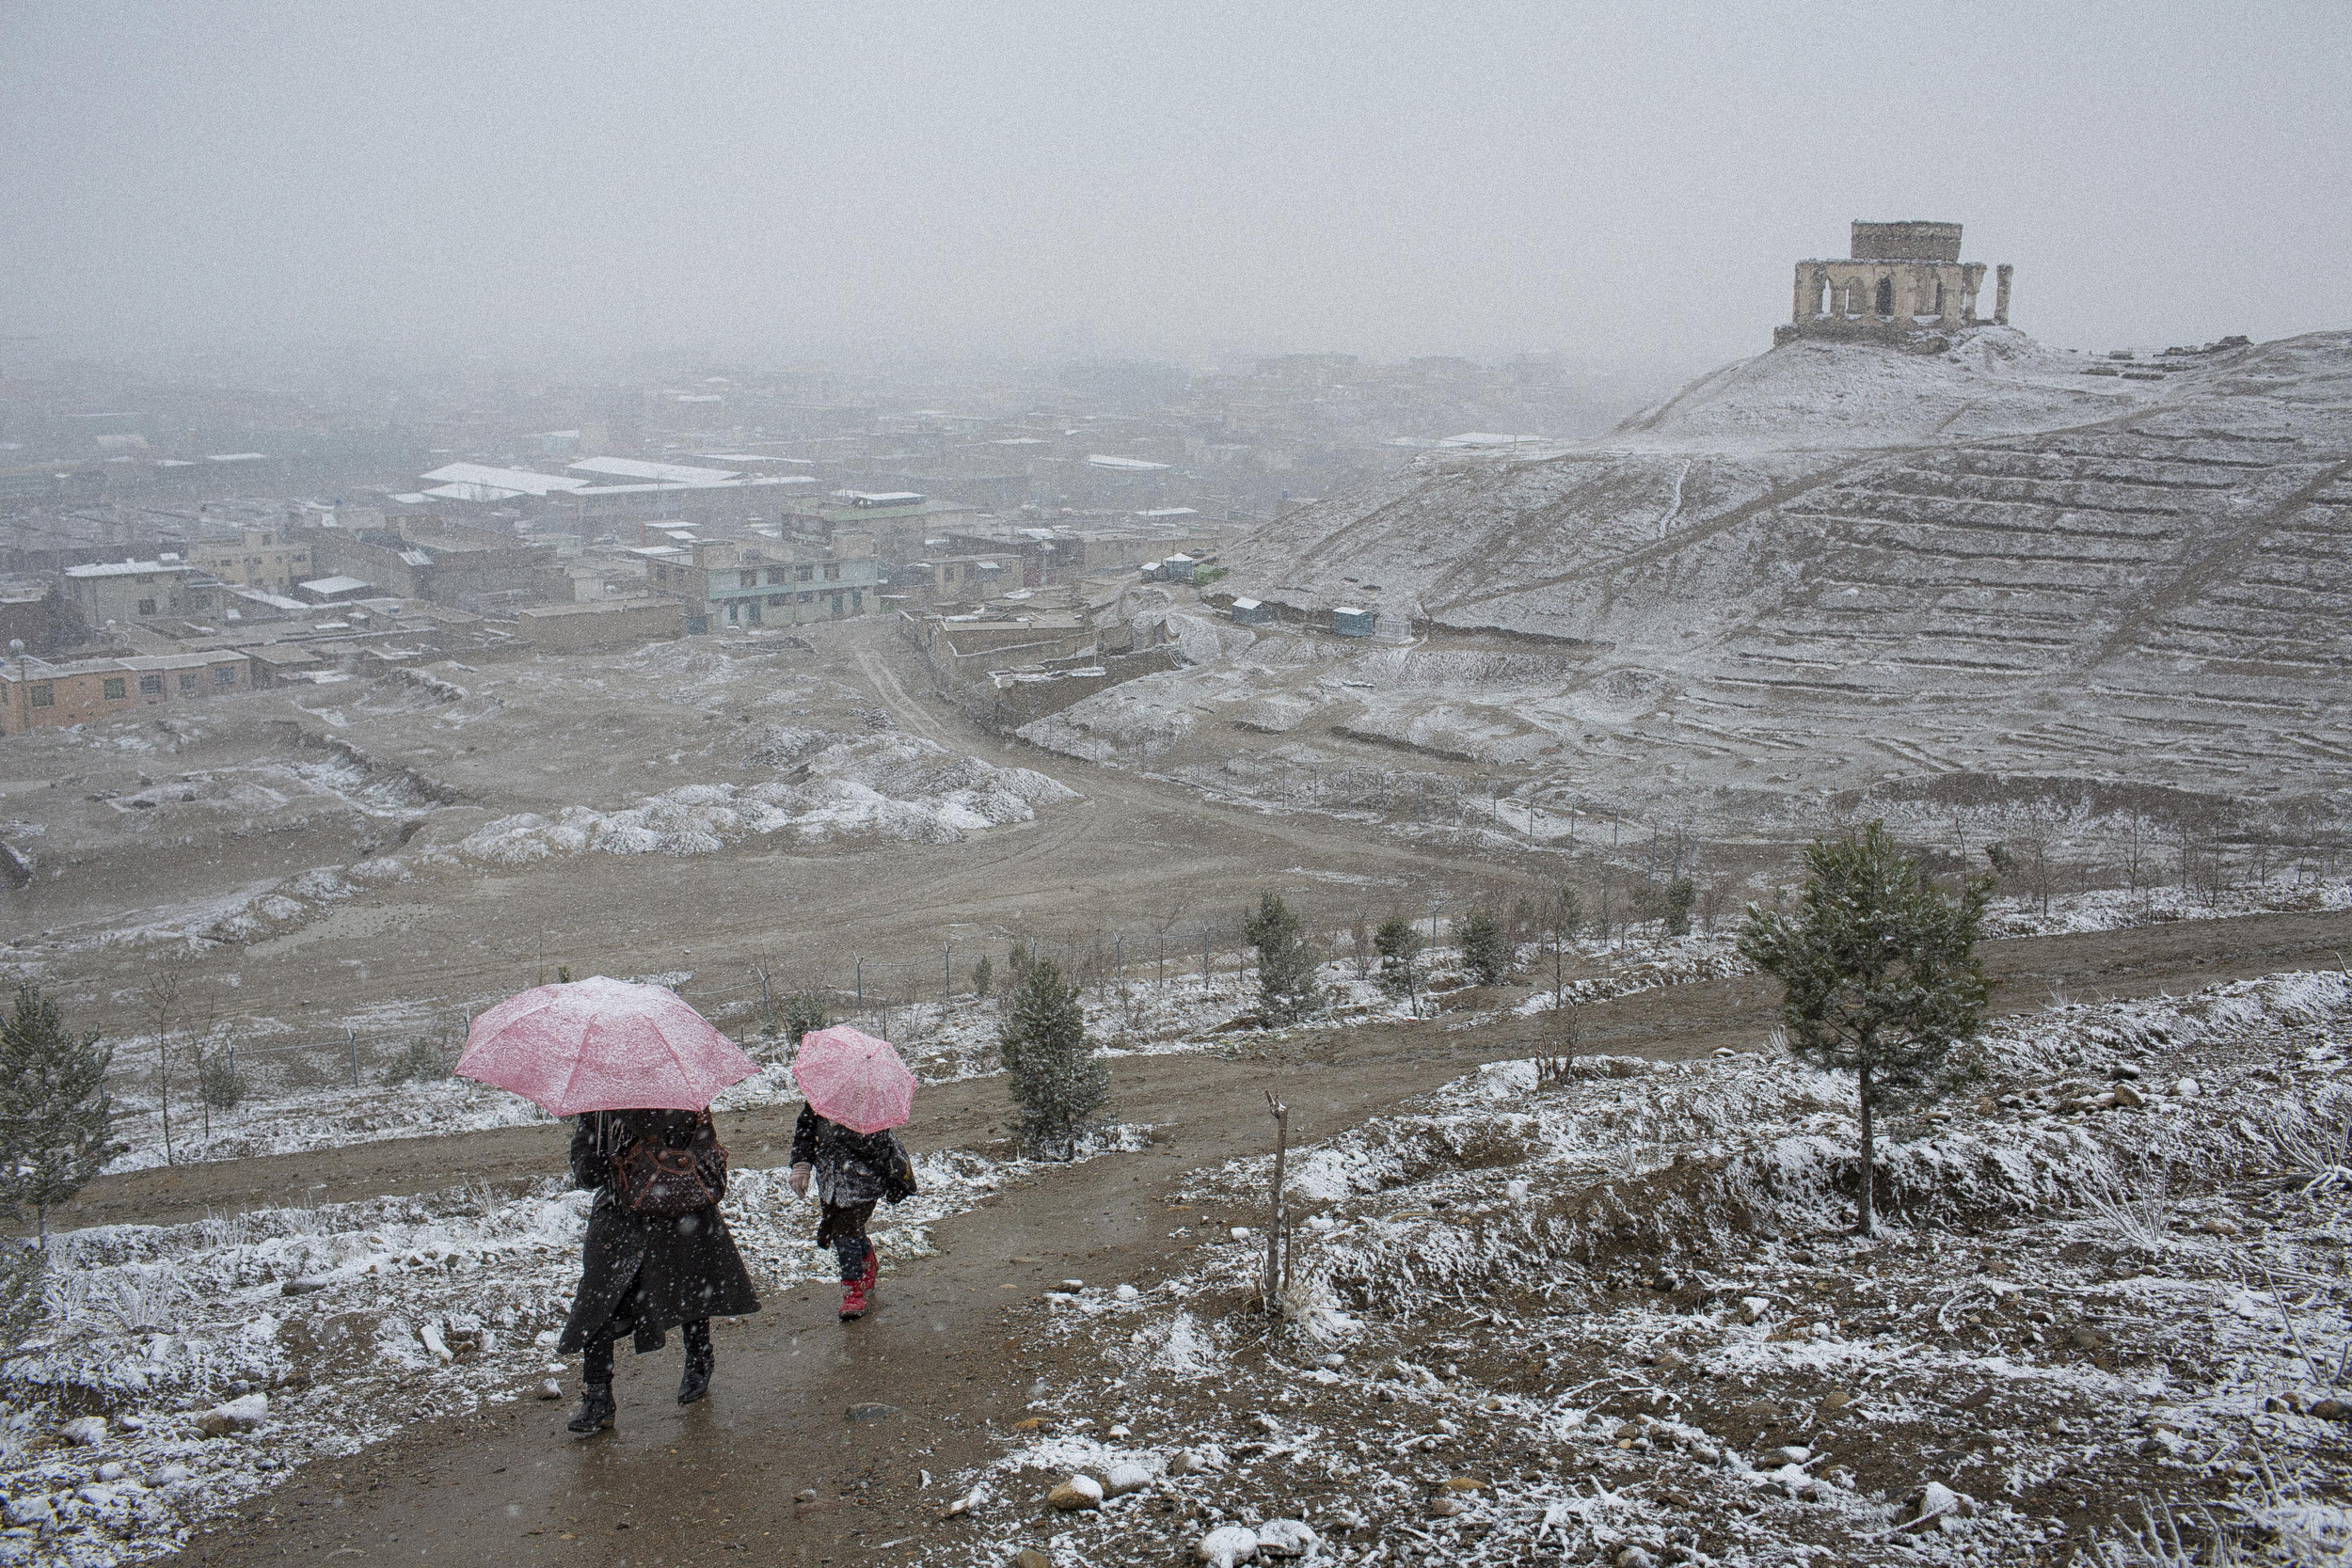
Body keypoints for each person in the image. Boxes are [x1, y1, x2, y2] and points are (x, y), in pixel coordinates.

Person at [558, 1107, 760, 1434]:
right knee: (597, 1303)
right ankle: (597, 1396)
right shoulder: (598, 1110)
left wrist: (665, 1150)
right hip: (618, 1217)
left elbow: (704, 1146)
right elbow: (583, 1171)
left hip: (679, 1209)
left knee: (692, 1287)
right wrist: (608, 1161)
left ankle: (699, 1357)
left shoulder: (680, 1101)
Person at [788, 1104, 913, 1321]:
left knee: (843, 1234)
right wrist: (801, 1165)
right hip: (830, 1184)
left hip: (863, 1185)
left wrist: (846, 1128)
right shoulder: (820, 1101)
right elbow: (805, 1133)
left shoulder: (873, 1105)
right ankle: (866, 1258)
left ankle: (852, 1292)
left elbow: (877, 1149)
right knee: (850, 1231)